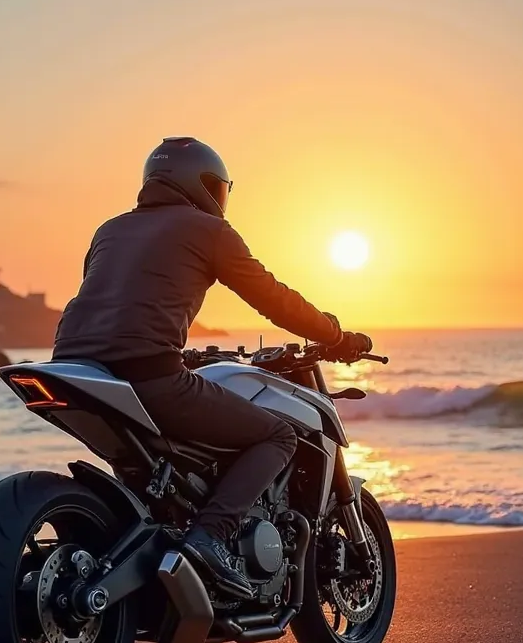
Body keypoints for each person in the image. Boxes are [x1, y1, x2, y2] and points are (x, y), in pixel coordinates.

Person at [53, 137, 371, 595]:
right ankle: (211, 537)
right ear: (203, 185)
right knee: (277, 435)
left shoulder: (111, 229)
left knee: (153, 474)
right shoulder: (208, 230)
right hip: (148, 375)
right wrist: (335, 335)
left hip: (77, 369)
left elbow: (122, 302)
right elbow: (272, 298)